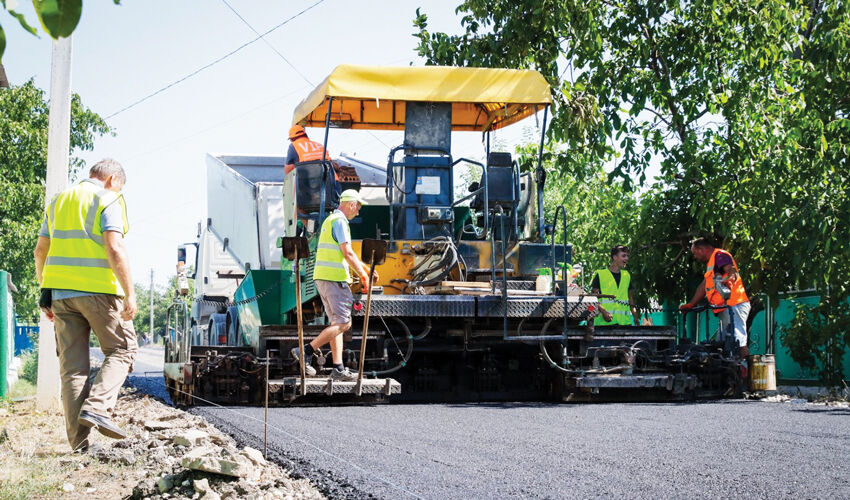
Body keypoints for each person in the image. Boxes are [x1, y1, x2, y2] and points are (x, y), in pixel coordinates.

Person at [33, 159, 137, 451]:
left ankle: (79, 445)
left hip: (62, 296)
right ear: (113, 179)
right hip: (100, 291)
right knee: (122, 349)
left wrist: (46, 293)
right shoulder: (108, 197)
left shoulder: (58, 201)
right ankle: (99, 407)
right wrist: (130, 293)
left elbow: (40, 251)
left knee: (73, 369)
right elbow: (114, 247)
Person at [291, 189, 378, 380]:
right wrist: (364, 276)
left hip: (323, 278)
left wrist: (365, 269)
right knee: (344, 323)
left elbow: (345, 254)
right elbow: (347, 252)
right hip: (333, 279)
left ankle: (338, 368)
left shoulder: (330, 220)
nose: (359, 211)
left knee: (336, 323)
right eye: (358, 206)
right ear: (351, 204)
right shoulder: (340, 221)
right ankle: (305, 350)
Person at [679, 237, 750, 358]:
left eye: (695, 253)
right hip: (725, 308)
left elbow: (732, 271)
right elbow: (704, 286)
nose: (695, 257)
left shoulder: (720, 255)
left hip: (734, 305)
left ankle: (746, 371)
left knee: (737, 343)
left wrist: (725, 281)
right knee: (721, 345)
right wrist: (692, 304)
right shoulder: (712, 264)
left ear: (701, 249)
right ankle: (729, 374)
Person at [590, 245, 640, 326]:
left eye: (627, 256)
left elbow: (630, 298)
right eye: (623, 256)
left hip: (624, 324)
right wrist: (603, 312)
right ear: (615, 257)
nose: (626, 258)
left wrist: (635, 317)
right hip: (604, 324)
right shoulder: (601, 274)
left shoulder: (626, 275)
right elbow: (593, 298)